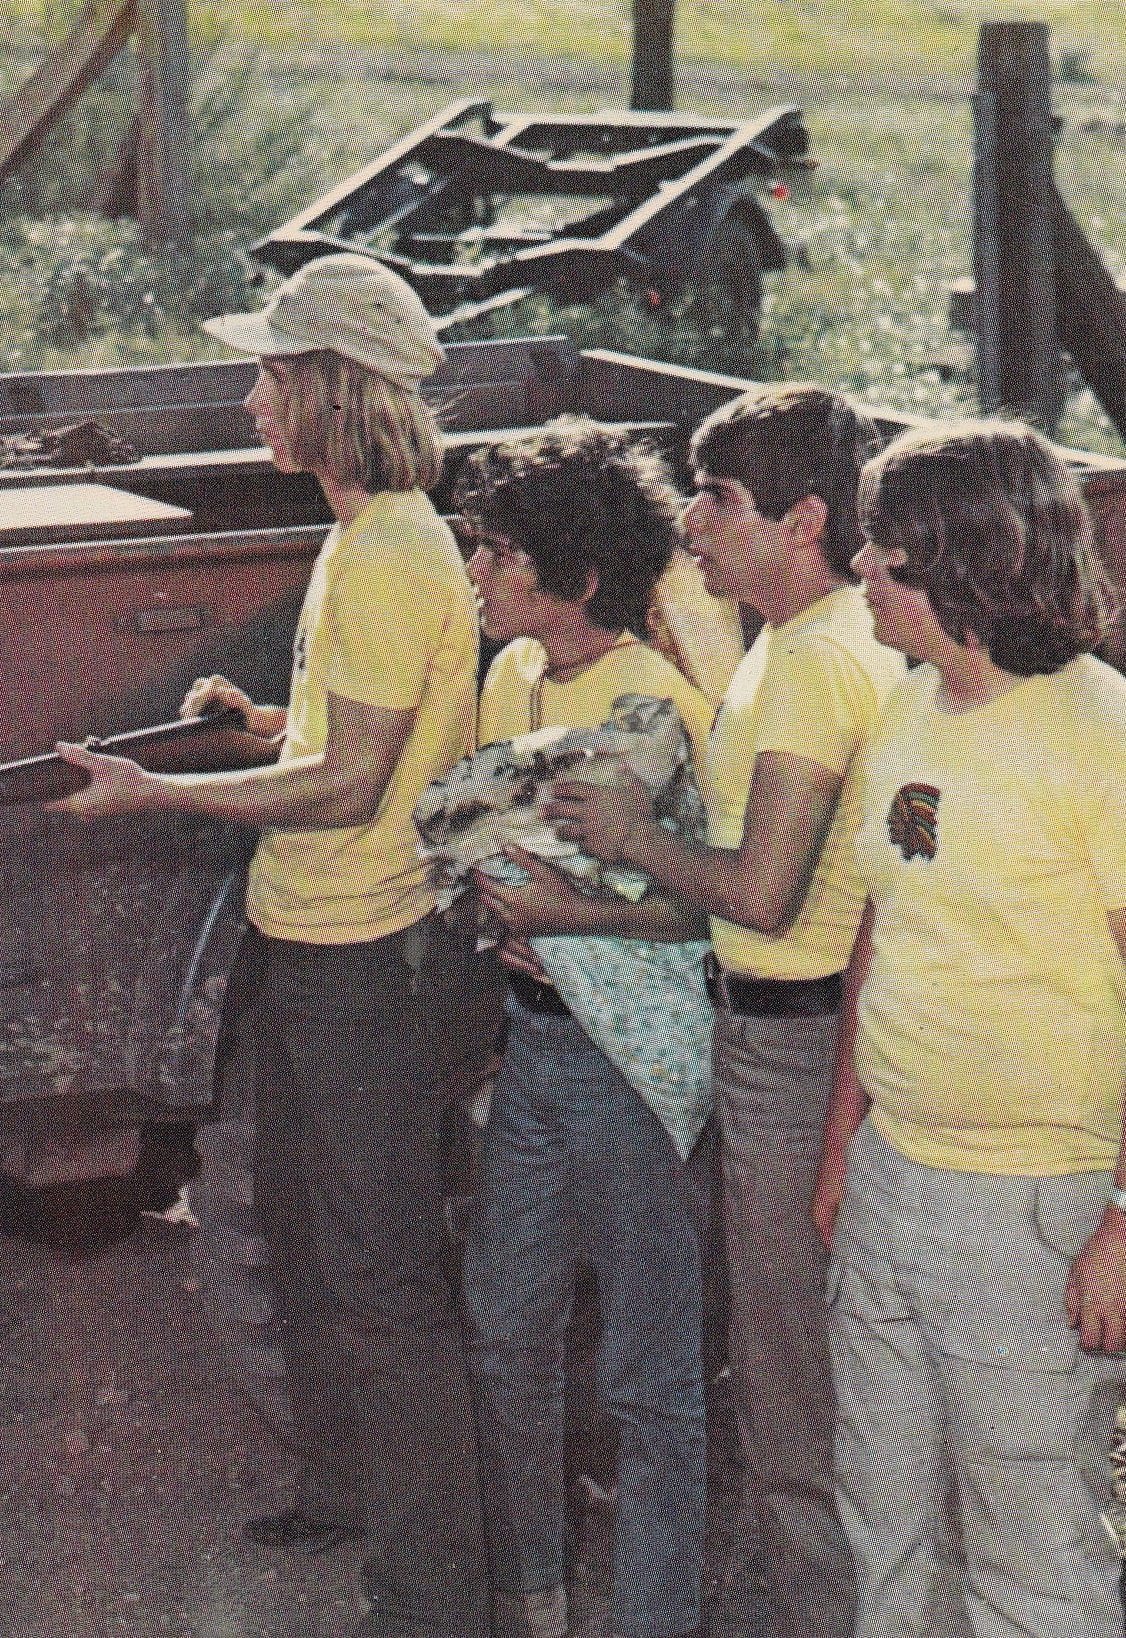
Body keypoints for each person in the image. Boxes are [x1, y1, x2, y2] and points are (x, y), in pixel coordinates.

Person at [48, 252, 503, 1638]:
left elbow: (353, 786)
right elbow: (338, 743)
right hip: (314, 939)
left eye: (267, 374)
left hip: (367, 959)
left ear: (327, 392)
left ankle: (434, 1597)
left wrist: (157, 791)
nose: (249, 397)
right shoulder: (363, 540)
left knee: (378, 1276)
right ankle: (353, 1497)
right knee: (311, 1244)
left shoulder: (385, 552)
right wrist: (253, 724)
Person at [814, 422, 1126, 1638]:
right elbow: (878, 940)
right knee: (884, 1535)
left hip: (1036, 1213)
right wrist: (844, 1148)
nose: (859, 575)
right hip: (894, 1187)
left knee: (1029, 1565)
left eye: (883, 554)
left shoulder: (1114, 745)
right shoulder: (905, 710)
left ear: (959, 564)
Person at [529, 383, 900, 1638]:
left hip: (792, 1047)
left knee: (794, 1402)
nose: (689, 520)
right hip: (789, 1040)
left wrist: (628, 834)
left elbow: (762, 889)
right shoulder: (807, 643)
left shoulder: (806, 668)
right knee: (803, 1381)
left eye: (717, 497)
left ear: (804, 519)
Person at [452, 420, 716, 1638]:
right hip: (533, 1046)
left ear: (580, 576)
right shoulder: (506, 678)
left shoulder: (658, 703)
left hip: (624, 1072)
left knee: (648, 1383)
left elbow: (712, 909)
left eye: (499, 553)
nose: (477, 571)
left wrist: (561, 913)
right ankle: (535, 1603)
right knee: (504, 1340)